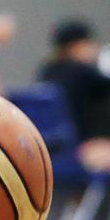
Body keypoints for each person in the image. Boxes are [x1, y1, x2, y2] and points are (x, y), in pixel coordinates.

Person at [39, 19, 110, 172]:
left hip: (47, 154)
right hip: (82, 151)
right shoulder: (84, 73)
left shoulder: (47, 72)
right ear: (78, 46)